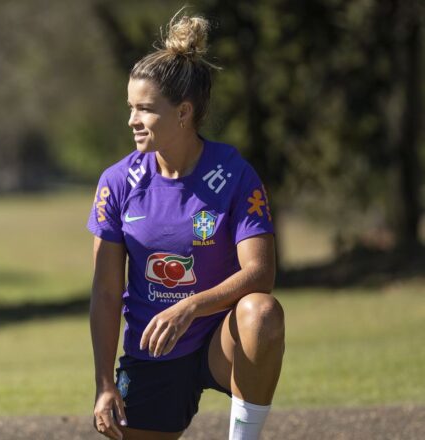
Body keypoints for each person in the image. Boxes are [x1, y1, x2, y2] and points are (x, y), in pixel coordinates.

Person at [88, 10, 285, 440]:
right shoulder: (117, 183)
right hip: (153, 350)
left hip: (218, 341)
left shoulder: (233, 174)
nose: (132, 121)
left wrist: (191, 306)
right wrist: (105, 385)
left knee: (262, 313)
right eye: (130, 108)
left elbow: (260, 273)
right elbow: (105, 292)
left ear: (183, 113)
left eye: (144, 109)